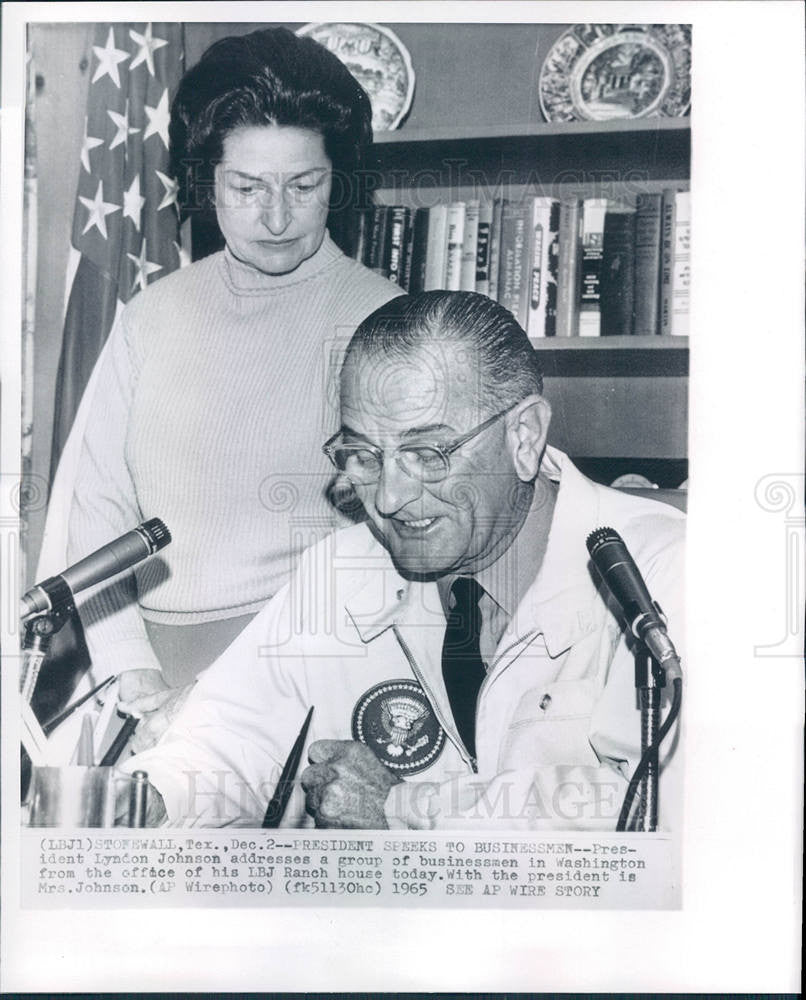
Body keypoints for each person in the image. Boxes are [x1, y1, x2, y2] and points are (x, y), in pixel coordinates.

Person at [122, 290, 685, 830]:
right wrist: (148, 802)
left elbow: (650, 805)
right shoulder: (343, 570)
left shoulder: (661, 569)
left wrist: (405, 810)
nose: (389, 498)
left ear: (525, 435)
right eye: (363, 455)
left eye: (427, 453)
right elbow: (227, 739)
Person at [64, 27, 402, 745]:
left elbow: (398, 540)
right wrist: (132, 673)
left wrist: (241, 694)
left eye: (303, 186)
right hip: (142, 682)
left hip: (314, 682)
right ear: (205, 182)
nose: (276, 217)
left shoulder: (386, 320)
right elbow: (97, 506)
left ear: (336, 180)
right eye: (246, 187)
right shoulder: (149, 317)